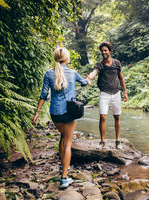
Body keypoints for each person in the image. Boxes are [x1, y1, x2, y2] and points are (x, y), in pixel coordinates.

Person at [32, 47, 91, 189]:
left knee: (63, 137)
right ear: (67, 58)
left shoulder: (48, 73)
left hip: (55, 113)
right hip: (70, 112)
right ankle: (64, 178)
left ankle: (61, 165)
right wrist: (89, 79)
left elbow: (43, 95)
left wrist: (37, 113)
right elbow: (85, 83)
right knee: (68, 142)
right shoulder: (73, 73)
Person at [86, 41, 128, 149]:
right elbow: (94, 72)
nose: (103, 52)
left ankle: (117, 141)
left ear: (110, 51)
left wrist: (125, 93)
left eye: (105, 50)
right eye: (102, 51)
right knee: (103, 116)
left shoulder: (117, 63)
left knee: (117, 116)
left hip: (116, 93)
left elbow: (121, 78)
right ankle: (102, 142)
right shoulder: (99, 64)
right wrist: (89, 77)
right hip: (104, 93)